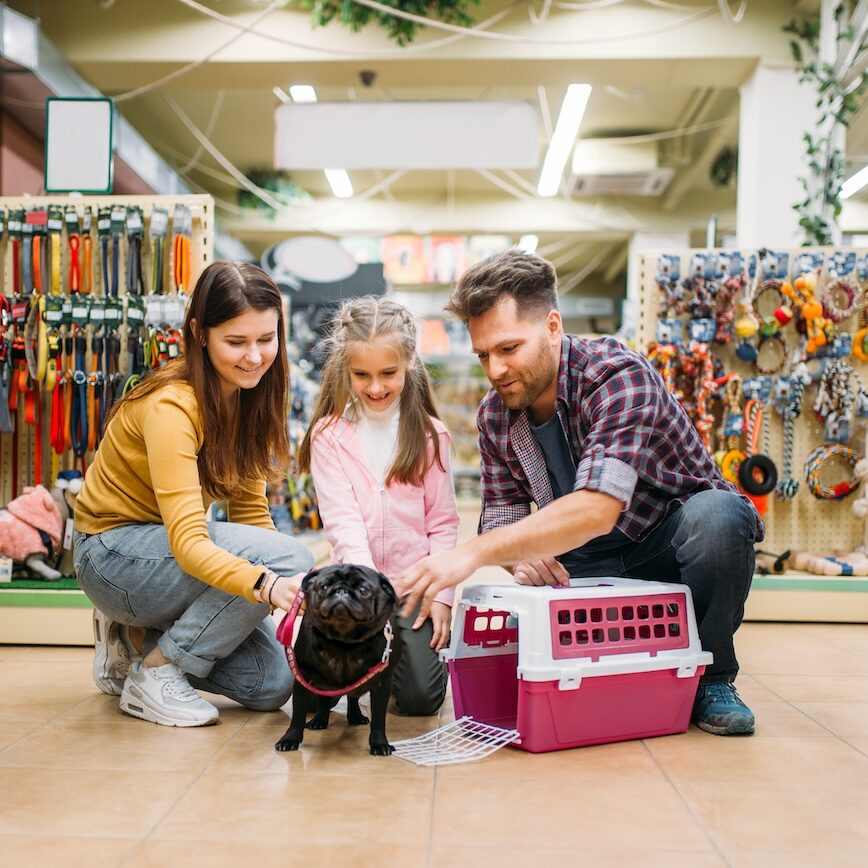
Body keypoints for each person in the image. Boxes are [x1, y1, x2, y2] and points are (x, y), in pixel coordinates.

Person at [397, 249, 763, 736]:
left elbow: (597, 509)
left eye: (509, 348)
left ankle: (714, 676)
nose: (495, 369)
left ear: (552, 326)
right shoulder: (495, 415)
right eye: (484, 354)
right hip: (584, 563)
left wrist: (474, 553)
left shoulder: (616, 376)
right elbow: (501, 513)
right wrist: (515, 556)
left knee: (721, 516)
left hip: (665, 542)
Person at [73, 261, 314, 727]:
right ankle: (158, 672)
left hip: (159, 561)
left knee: (274, 683)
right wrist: (268, 582)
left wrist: (267, 606)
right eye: (236, 342)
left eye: (266, 339)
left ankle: (133, 644)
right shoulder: (173, 406)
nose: (255, 356)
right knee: (291, 559)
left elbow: (251, 521)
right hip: (110, 555)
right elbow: (189, 544)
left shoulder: (251, 399)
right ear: (199, 333)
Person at [297, 296, 459, 716]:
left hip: (413, 589)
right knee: (315, 693)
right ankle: (369, 664)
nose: (375, 387)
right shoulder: (329, 437)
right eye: (361, 375)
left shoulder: (429, 435)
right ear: (344, 371)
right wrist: (366, 598)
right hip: (353, 590)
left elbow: (442, 524)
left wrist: (441, 597)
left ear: (409, 362)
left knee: (421, 700)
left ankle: (391, 661)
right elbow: (343, 524)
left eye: (388, 373)